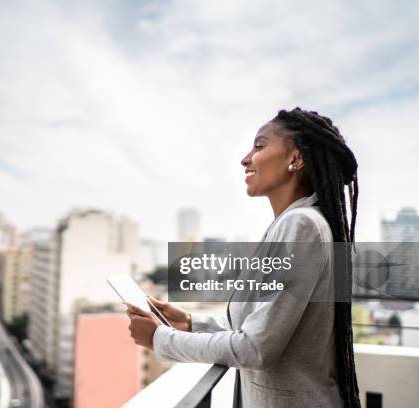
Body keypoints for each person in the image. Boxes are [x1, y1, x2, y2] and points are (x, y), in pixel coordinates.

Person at [126, 107, 361, 407]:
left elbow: (255, 348)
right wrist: (189, 322)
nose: (245, 158)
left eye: (260, 146)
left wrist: (160, 340)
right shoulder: (290, 225)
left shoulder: (300, 226)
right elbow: (256, 328)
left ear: (296, 159)